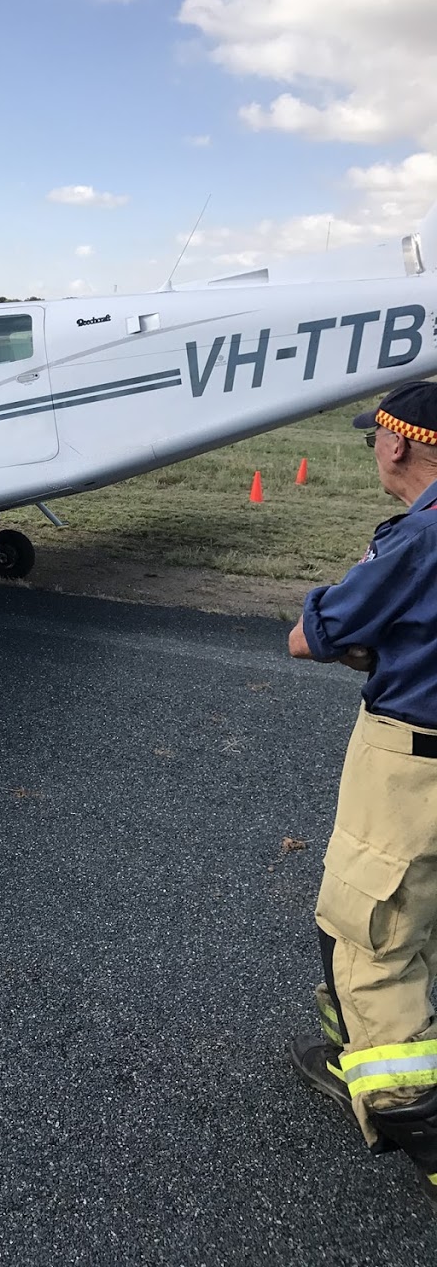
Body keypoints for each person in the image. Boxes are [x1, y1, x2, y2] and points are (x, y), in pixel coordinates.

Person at [287, 379, 437, 1212]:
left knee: (367, 933)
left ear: (396, 444)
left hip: (412, 766)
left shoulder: (416, 541)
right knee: (419, 917)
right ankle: (351, 1057)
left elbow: (311, 636)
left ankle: (410, 1110)